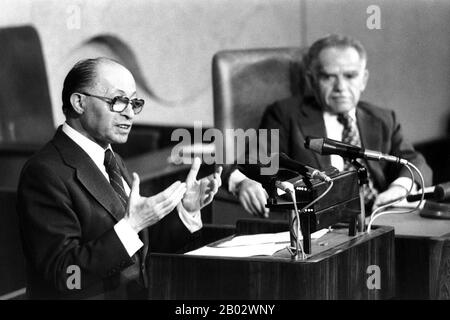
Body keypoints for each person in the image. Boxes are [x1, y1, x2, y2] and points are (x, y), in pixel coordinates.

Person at [17, 57, 222, 299]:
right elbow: (66, 274)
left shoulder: (112, 159)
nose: (129, 114)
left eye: (133, 102)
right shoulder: (44, 172)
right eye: (117, 101)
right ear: (79, 102)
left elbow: (139, 252)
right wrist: (131, 226)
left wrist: (186, 211)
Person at [226, 34, 432, 217]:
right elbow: (255, 160)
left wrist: (400, 188)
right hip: (324, 227)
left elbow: (416, 163)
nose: (340, 87)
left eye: (350, 76)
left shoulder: (382, 118)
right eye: (328, 77)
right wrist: (246, 182)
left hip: (382, 218)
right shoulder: (285, 114)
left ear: (364, 79)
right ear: (311, 80)